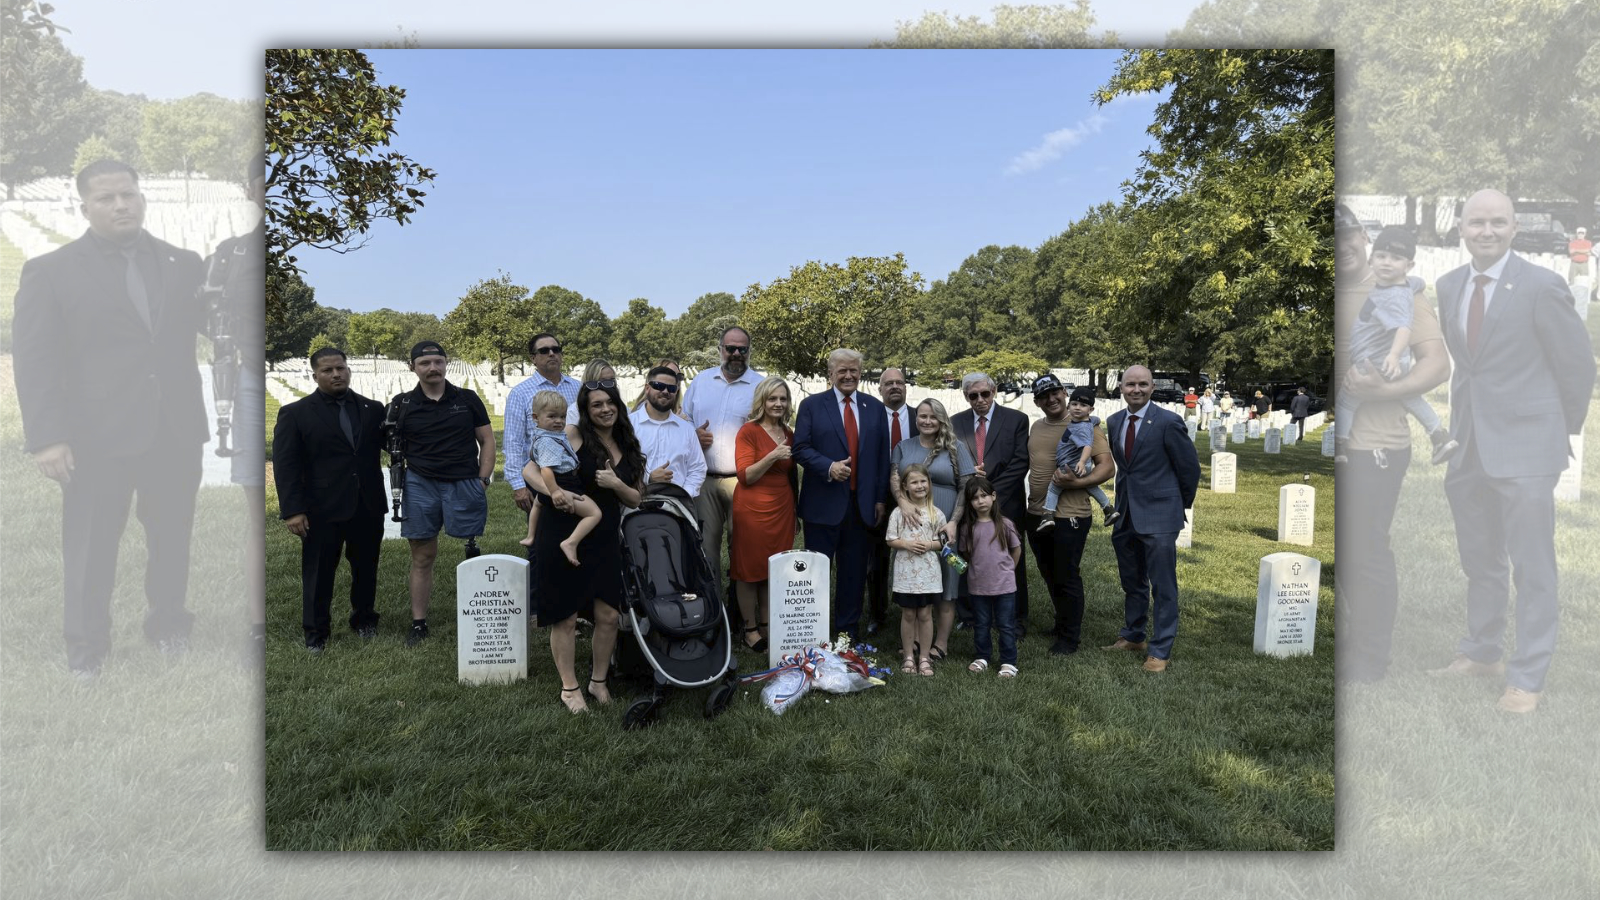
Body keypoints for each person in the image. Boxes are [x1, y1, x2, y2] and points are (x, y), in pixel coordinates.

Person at [13, 159, 206, 676]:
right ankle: (87, 651)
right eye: (106, 198)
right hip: (95, 436)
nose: (121, 204)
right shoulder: (51, 271)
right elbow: (35, 360)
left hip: (174, 430)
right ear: (85, 207)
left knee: (171, 538)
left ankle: (168, 627)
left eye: (128, 194)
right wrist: (48, 438)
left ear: (142, 196)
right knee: (92, 545)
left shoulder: (183, 263)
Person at [1428, 189, 1595, 713]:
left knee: (1533, 566)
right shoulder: (1450, 284)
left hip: (1528, 450)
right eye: (1478, 222)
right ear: (1462, 227)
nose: (1488, 231)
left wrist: (1554, 434)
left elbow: (1578, 368)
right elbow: (1467, 368)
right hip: (1469, 447)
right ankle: (1482, 651)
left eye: (1498, 222)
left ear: (1515, 227)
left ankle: (1527, 676)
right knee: (1480, 559)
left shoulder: (1543, 285)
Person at [1331, 202, 1451, 685]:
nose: (1341, 248)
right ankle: (1355, 642)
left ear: (1361, 234)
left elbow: (1436, 365)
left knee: (1367, 550)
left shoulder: (1397, 290)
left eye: (1346, 236)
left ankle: (1370, 660)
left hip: (1377, 446)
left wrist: (1384, 390)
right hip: (1340, 444)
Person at [526, 381, 645, 713]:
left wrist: (616, 482)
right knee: (564, 615)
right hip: (562, 528)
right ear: (586, 410)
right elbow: (529, 469)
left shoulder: (629, 445)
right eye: (596, 405)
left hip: (604, 534)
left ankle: (598, 681)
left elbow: (636, 498)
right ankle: (569, 687)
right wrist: (554, 495)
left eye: (610, 403)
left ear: (618, 406)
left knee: (607, 614)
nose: (605, 409)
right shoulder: (573, 434)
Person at [272, 348, 387, 651]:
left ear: (349, 370)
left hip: (367, 504)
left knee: (366, 567)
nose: (336, 374)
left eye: (341, 368)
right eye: (327, 370)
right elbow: (286, 466)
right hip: (321, 508)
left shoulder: (372, 408)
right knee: (319, 572)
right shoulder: (296, 413)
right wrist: (293, 510)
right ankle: (316, 633)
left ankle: (363, 620)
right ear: (315, 375)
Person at [385, 341, 495, 647]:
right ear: (413, 367)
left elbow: (486, 440)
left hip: (463, 480)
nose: (432, 368)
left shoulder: (467, 399)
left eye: (438, 361)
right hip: (421, 484)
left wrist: (483, 479)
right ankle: (419, 623)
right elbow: (390, 445)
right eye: (425, 363)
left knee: (471, 547)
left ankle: (479, 614)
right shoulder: (402, 404)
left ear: (446, 363)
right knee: (422, 555)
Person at [205, 152, 268, 657]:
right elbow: (209, 319)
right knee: (253, 508)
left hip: (319, 381)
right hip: (245, 377)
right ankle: (255, 620)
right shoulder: (228, 254)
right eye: (259, 180)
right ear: (249, 189)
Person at [1104, 365, 1201, 673]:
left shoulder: (1168, 421)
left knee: (1163, 585)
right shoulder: (1115, 421)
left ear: (1152, 387)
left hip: (1160, 516)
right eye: (1131, 384)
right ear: (1121, 387)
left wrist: (1176, 506)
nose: (1137, 389)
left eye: (1143, 384)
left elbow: (1189, 470)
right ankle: (1133, 635)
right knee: (1132, 580)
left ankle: (1160, 649)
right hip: (1126, 514)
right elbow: (1125, 468)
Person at [1333, 226, 1457, 465]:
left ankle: (1339, 445)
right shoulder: (1401, 286)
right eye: (1381, 257)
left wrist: (1393, 355)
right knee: (1409, 396)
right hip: (1379, 359)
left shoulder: (1395, 296)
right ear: (1372, 259)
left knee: (1347, 402)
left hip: (1374, 362)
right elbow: (1413, 284)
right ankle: (1439, 435)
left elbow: (1403, 327)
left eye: (1396, 258)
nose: (1387, 263)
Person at [793, 348, 890, 640]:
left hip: (861, 506)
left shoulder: (874, 407)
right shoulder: (811, 405)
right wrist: (828, 466)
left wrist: (880, 499)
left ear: (861, 373)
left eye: (854, 370)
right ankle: (817, 631)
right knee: (818, 573)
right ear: (831, 374)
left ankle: (847, 632)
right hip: (822, 504)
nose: (848, 376)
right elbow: (800, 448)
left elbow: (881, 458)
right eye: (842, 371)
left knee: (853, 573)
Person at [1022, 374, 1114, 657]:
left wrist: (1074, 483)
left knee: (1066, 574)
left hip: (1071, 515)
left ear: (1064, 392)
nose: (1051, 399)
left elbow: (1107, 468)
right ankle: (1061, 624)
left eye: (1055, 393)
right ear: (1037, 401)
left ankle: (1070, 638)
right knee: (1049, 573)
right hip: (1037, 512)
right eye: (1044, 396)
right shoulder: (1036, 427)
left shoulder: (1085, 425)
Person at [889, 397, 976, 662]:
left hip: (945, 517)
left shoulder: (955, 447)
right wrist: (902, 503)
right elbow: (894, 478)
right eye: (922, 416)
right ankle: (914, 640)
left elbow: (966, 485)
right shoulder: (904, 446)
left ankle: (940, 642)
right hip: (912, 520)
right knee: (915, 575)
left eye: (932, 417)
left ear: (941, 420)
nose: (926, 421)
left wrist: (954, 520)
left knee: (947, 580)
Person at [951, 372, 1031, 636]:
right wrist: (974, 495)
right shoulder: (956, 423)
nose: (980, 400)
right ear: (966, 396)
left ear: (994, 391)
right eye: (973, 395)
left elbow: (1020, 462)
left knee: (1010, 556)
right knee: (971, 554)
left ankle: (1014, 616)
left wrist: (989, 493)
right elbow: (953, 461)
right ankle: (970, 614)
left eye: (985, 393)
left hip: (1006, 501)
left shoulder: (1016, 419)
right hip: (970, 504)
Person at [683, 326, 763, 581]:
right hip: (705, 480)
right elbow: (684, 421)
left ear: (749, 352)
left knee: (743, 549)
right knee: (706, 550)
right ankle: (714, 613)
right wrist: (693, 435)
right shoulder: (701, 381)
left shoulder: (760, 385)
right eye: (731, 348)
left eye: (743, 349)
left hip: (744, 482)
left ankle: (741, 614)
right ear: (720, 350)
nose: (736, 353)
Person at [729, 375, 797, 652]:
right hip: (752, 508)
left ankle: (768, 625)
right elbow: (745, 476)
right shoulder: (748, 431)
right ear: (762, 401)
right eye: (772, 398)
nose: (778, 404)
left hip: (782, 507)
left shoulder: (790, 433)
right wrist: (772, 456)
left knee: (773, 570)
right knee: (748, 570)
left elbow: (793, 476)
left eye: (782, 398)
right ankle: (749, 629)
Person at [503, 333, 580, 521]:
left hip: (573, 473)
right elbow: (513, 442)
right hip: (539, 476)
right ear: (533, 358)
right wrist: (518, 485)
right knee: (543, 535)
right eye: (544, 350)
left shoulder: (578, 388)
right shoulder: (520, 393)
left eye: (556, 349)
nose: (552, 354)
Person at [518, 391, 600, 566]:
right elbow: (546, 470)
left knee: (538, 504)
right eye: (552, 416)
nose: (559, 421)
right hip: (563, 482)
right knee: (594, 513)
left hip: (557, 481)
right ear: (535, 417)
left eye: (562, 416)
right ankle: (571, 542)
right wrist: (555, 491)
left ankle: (531, 535)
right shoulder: (548, 441)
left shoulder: (546, 434)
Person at [866, 367, 915, 636]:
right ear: (880, 388)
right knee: (877, 558)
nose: (895, 386)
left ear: (906, 387)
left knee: (918, 550)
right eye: (889, 383)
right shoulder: (870, 418)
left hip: (916, 495)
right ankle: (877, 613)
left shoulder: (921, 417)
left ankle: (918, 609)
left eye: (900, 382)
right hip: (879, 497)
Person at [958, 476, 1023, 679]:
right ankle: (983, 656)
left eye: (984, 495)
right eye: (975, 498)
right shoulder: (967, 528)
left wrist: (1009, 569)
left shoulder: (1004, 524)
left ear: (993, 496)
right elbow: (966, 554)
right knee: (981, 623)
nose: (981, 501)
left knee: (1005, 624)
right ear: (970, 502)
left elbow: (1016, 549)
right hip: (978, 586)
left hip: (1004, 586)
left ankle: (1008, 661)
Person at [885, 464, 944, 677]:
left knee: (926, 614)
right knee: (908, 614)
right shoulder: (898, 513)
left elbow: (942, 543)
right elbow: (890, 538)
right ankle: (909, 655)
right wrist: (907, 544)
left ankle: (925, 658)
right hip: (906, 574)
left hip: (928, 574)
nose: (919, 486)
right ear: (905, 487)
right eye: (914, 482)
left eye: (923, 481)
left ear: (929, 484)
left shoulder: (936, 513)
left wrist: (929, 545)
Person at [1037, 386, 1118, 530]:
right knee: (1091, 486)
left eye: (1083, 405)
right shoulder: (1087, 421)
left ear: (1090, 409)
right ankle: (1108, 508)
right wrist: (1095, 419)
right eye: (1074, 404)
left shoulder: (1080, 428)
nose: (1078, 408)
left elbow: (1087, 445)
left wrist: (1081, 462)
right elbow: (1094, 420)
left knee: (1054, 488)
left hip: (1071, 464)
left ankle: (1048, 515)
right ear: (1068, 406)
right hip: (1078, 464)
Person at [630, 366, 706, 498]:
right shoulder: (628, 425)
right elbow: (620, 466)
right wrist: (648, 478)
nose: (665, 391)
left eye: (671, 388)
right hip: (637, 504)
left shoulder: (686, 429)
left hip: (676, 506)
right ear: (647, 388)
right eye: (659, 386)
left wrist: (684, 494)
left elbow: (697, 468)